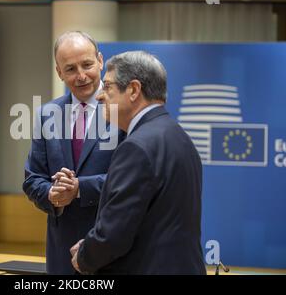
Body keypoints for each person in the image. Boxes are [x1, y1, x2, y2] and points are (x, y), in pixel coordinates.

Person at [70, 51, 206, 274]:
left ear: (133, 90)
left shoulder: (136, 147)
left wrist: (84, 256)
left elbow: (114, 235)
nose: (100, 96)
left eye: (108, 87)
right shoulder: (178, 136)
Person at [23, 31, 123, 274]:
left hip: (111, 248)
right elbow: (32, 179)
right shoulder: (47, 113)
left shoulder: (124, 111)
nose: (81, 76)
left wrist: (79, 189)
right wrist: (53, 195)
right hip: (61, 253)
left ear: (100, 60)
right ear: (59, 72)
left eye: (87, 64)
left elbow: (131, 181)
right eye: (70, 69)